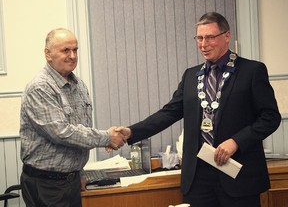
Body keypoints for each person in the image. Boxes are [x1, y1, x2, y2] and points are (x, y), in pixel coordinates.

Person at [117, 12, 281, 207]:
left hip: (238, 177)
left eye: (210, 37)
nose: (204, 44)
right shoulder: (191, 76)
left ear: (226, 36)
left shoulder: (252, 71)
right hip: (198, 179)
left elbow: (270, 118)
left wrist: (236, 141)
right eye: (200, 38)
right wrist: (131, 132)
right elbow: (168, 113)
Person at [20, 28, 126, 207]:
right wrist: (107, 137)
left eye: (75, 50)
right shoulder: (40, 88)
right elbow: (62, 133)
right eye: (65, 50)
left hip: (71, 181)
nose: (72, 55)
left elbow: (79, 132)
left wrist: (80, 173)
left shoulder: (79, 86)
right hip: (47, 184)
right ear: (48, 53)